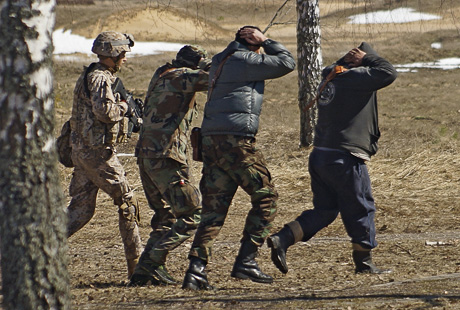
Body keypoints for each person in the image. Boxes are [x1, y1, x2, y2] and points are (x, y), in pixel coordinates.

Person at [267, 42, 397, 275]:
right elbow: (388, 73)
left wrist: (352, 60)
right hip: (344, 157)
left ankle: (283, 238)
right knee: (361, 208)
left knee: (325, 211)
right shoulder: (354, 78)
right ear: (359, 63)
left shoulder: (333, 75)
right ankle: (364, 264)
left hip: (320, 155)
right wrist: (368, 59)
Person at [181, 26, 296, 290]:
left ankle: (195, 271)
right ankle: (246, 261)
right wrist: (267, 41)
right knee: (266, 198)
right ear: (251, 43)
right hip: (235, 142)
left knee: (213, 211)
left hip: (211, 142)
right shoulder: (246, 60)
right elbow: (287, 63)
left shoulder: (221, 60)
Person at [127, 45, 211, 286]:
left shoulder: (163, 73)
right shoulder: (183, 76)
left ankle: (146, 273)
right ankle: (151, 262)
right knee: (193, 213)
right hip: (167, 156)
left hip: (147, 155)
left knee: (166, 216)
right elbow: (218, 78)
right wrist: (206, 66)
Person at [67, 31, 143, 279]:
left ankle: (34, 249)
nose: (125, 59)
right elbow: (105, 113)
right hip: (98, 155)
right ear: (112, 54)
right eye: (122, 54)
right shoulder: (100, 78)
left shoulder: (91, 73)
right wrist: (125, 107)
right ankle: (139, 269)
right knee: (128, 203)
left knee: (81, 211)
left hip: (83, 153)